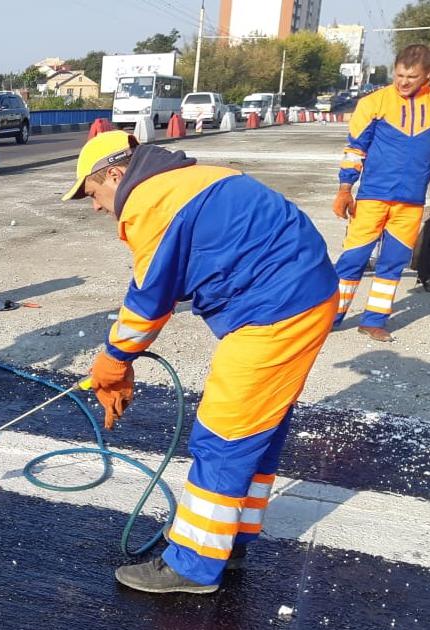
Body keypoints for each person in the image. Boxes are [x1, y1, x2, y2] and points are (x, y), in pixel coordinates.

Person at [62, 131, 337, 594]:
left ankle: (192, 565)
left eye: (93, 194)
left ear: (114, 174)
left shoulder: (150, 200)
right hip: (298, 293)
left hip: (277, 307)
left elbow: (149, 302)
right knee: (256, 428)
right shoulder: (188, 178)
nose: (96, 207)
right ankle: (224, 541)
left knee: (223, 433)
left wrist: (113, 362)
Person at [332, 44, 430, 341]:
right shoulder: (374, 103)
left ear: (426, 75)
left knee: (393, 263)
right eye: (399, 75)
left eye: (411, 77)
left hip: (411, 203)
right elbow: (355, 149)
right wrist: (345, 188)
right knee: (353, 259)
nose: (403, 82)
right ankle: (329, 317)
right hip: (373, 197)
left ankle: (374, 320)